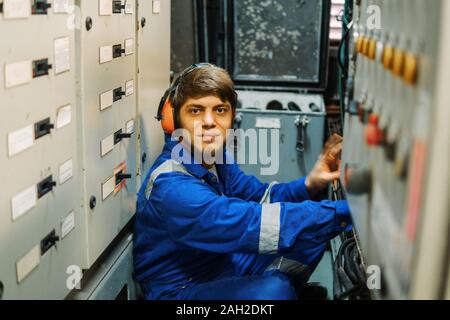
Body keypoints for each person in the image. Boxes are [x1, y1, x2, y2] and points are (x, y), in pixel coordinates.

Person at [133, 63, 352, 300]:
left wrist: (310, 183)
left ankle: (271, 291)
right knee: (274, 289)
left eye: (220, 110)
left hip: (221, 261)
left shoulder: (215, 159)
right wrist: (350, 211)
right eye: (195, 111)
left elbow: (260, 196)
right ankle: (274, 291)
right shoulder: (172, 188)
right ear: (174, 120)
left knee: (311, 236)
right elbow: (254, 224)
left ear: (231, 116)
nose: (209, 122)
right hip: (181, 290)